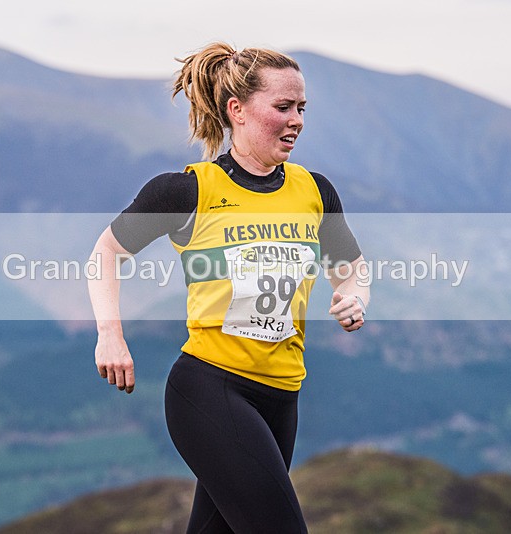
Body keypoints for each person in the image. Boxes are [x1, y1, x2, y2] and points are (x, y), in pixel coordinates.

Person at [87, 42, 369, 533]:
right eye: (283, 107)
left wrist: (353, 296)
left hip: (282, 397)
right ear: (237, 110)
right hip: (210, 389)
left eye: (302, 108)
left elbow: (351, 266)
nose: (296, 120)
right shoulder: (189, 191)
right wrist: (110, 334)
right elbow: (105, 253)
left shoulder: (314, 191)